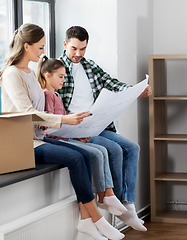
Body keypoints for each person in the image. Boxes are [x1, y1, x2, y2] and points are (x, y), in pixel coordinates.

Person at [0, 23, 124, 240]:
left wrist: (64, 126)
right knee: (74, 158)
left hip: (39, 137)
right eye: (40, 47)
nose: (43, 52)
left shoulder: (28, 72)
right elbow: (27, 112)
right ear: (26, 46)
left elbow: (39, 112)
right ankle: (96, 219)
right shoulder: (12, 74)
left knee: (85, 153)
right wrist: (63, 120)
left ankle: (85, 221)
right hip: (24, 144)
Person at [57, 26, 152, 232]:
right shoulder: (57, 68)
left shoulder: (90, 66)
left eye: (83, 49)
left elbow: (112, 83)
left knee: (133, 147)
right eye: (74, 49)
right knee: (115, 150)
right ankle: (115, 202)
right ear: (65, 44)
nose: (78, 54)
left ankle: (129, 205)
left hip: (98, 125)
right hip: (76, 131)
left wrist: (134, 90)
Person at [36, 55, 127, 216]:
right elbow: (47, 124)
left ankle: (108, 194)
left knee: (101, 151)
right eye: (61, 76)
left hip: (65, 137)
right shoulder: (46, 95)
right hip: (55, 141)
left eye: (65, 76)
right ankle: (103, 195)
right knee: (97, 153)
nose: (64, 80)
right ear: (47, 75)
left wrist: (77, 134)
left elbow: (61, 122)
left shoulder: (57, 96)